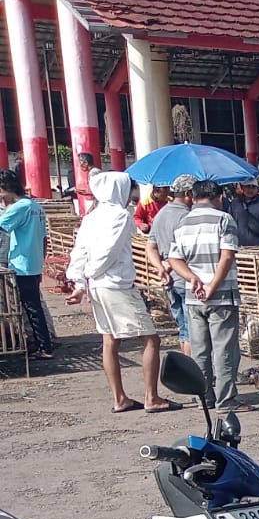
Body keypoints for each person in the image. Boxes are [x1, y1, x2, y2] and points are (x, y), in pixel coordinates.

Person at [66, 172, 177, 413]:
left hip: (97, 286)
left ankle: (120, 398)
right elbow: (109, 252)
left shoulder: (91, 217)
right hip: (116, 284)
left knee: (110, 340)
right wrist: (90, 274)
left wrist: (80, 282)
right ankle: (151, 397)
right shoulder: (120, 215)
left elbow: (79, 252)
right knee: (151, 339)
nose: (131, 195)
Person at [168, 178, 246, 412]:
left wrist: (192, 278)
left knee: (200, 350)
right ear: (218, 197)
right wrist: (212, 285)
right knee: (224, 350)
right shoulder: (224, 219)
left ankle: (203, 398)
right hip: (222, 295)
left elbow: (174, 259)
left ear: (193, 197)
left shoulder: (183, 223)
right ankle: (226, 401)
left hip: (194, 296)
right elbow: (227, 256)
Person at [0, 169, 55, 359]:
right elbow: (44, 238)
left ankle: (44, 347)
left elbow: (1, 225)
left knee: (31, 307)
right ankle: (44, 343)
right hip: (33, 262)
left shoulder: (18, 208)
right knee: (34, 306)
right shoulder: (35, 206)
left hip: (21, 263)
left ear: (5, 189)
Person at [146, 175, 196, 356]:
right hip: (186, 278)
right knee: (192, 332)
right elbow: (189, 251)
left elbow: (150, 247)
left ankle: (187, 367)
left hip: (170, 280)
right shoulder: (187, 216)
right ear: (189, 194)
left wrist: (161, 267)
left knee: (183, 328)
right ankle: (193, 368)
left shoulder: (161, 214)